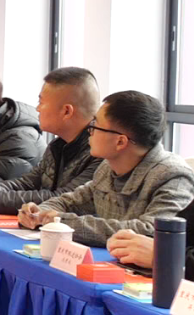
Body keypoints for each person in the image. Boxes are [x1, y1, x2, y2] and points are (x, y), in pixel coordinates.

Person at [20, 91, 194, 247]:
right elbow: (69, 201)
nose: (89, 132)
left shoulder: (174, 176)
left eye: (94, 126)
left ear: (120, 142)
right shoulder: (107, 167)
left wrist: (62, 223)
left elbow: (150, 231)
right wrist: (40, 212)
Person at [0, 67, 101, 214]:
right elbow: (28, 182)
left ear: (66, 111)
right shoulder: (58, 145)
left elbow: (64, 199)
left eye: (41, 102)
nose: (37, 109)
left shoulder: (101, 151)